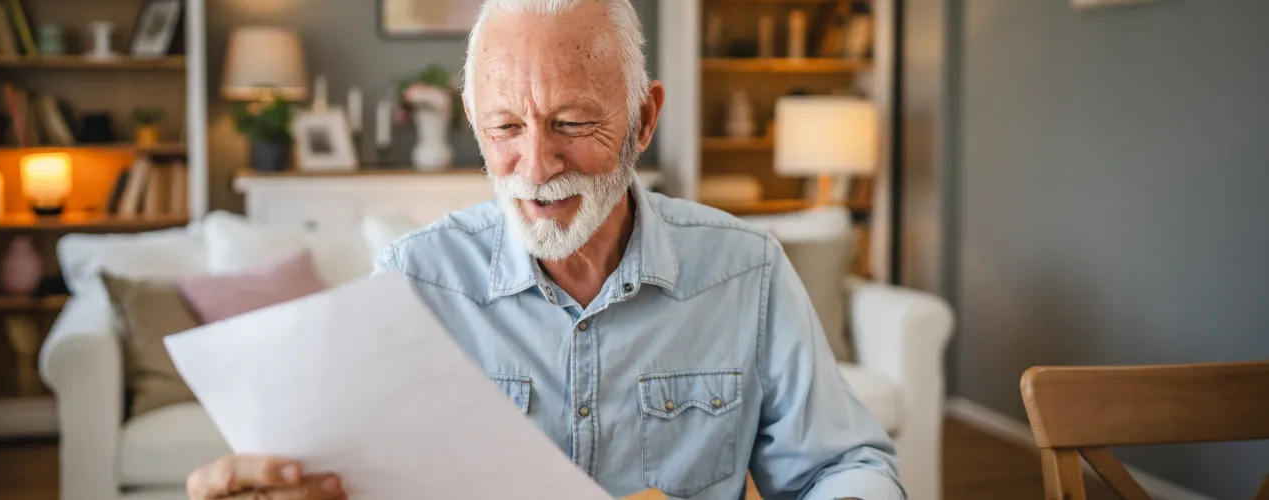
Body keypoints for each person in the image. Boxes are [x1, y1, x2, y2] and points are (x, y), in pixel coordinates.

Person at [187, 1, 902, 499]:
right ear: (472, 121)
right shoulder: (410, 283)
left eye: (570, 122)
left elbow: (842, 464)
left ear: (644, 119)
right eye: (504, 127)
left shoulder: (747, 270)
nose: (535, 165)